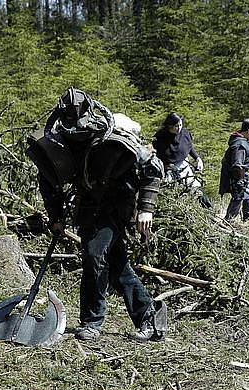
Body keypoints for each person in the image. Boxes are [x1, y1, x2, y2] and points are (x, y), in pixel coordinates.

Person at [32, 87, 167, 342]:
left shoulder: (112, 135)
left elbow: (153, 167)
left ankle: (91, 321)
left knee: (94, 255)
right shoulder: (60, 139)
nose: (73, 118)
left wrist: (145, 209)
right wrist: (56, 217)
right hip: (87, 207)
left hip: (117, 204)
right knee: (117, 266)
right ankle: (150, 317)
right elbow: (48, 178)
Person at [219, 118, 249, 221]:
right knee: (238, 198)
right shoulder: (239, 145)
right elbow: (237, 165)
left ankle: (248, 219)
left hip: (243, 177)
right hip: (237, 178)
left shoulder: (241, 141)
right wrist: (240, 180)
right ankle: (228, 222)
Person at [152, 112, 203, 188]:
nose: (179, 128)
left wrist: (197, 158)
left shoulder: (184, 133)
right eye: (176, 126)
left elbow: (188, 146)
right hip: (167, 169)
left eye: (180, 125)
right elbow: (156, 154)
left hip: (184, 166)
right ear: (170, 125)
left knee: (196, 189)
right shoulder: (160, 136)